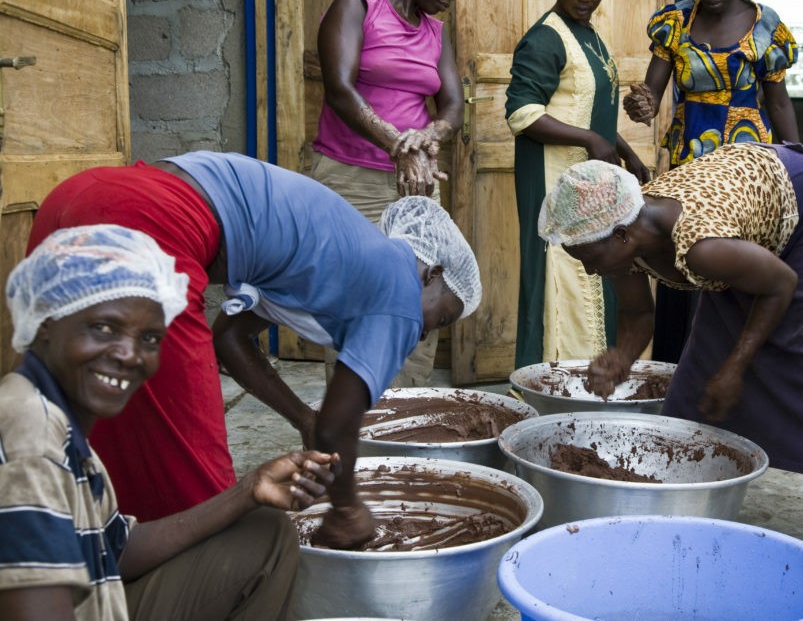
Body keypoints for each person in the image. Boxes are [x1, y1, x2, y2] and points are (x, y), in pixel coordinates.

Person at [26, 151, 482, 551]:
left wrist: (302, 418)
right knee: (210, 510)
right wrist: (347, 510)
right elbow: (338, 426)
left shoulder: (342, 261)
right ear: (431, 273)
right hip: (149, 224)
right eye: (441, 318)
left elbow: (229, 338)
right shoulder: (400, 289)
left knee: (102, 429)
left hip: (78, 200)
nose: (424, 335)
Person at [537, 142, 803, 573]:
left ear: (622, 236)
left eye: (589, 259)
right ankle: (682, 500)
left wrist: (736, 369)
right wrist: (620, 356)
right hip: (744, 225)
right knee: (702, 368)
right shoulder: (622, 236)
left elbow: (780, 285)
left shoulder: (701, 245)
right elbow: (640, 313)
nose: (588, 270)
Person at [0, 224, 338, 620]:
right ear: (45, 325)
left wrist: (249, 490)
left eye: (149, 338)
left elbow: (116, 547)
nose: (129, 354)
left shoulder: (61, 423)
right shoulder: (30, 432)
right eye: (103, 328)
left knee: (266, 531)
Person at [309, 0, 480, 387]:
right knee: (355, 295)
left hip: (417, 183)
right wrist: (398, 145)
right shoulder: (357, 6)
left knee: (419, 290)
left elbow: (453, 107)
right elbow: (340, 90)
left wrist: (429, 136)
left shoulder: (435, 33)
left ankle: (406, 408)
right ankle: (353, 417)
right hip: (351, 178)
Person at [622, 0, 800, 365]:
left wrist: (796, 155)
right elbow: (651, 96)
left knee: (732, 252)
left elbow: (778, 101)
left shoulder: (765, 26)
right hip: (689, 156)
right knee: (683, 249)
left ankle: (730, 362)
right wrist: (640, 106)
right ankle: (674, 367)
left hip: (745, 160)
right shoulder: (675, 22)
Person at [505, 0, 649, 370]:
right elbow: (522, 114)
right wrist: (590, 140)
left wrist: (630, 155)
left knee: (595, 267)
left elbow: (592, 112)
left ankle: (590, 374)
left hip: (590, 181)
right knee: (559, 275)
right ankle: (553, 378)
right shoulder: (545, 39)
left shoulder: (588, 36)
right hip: (553, 178)